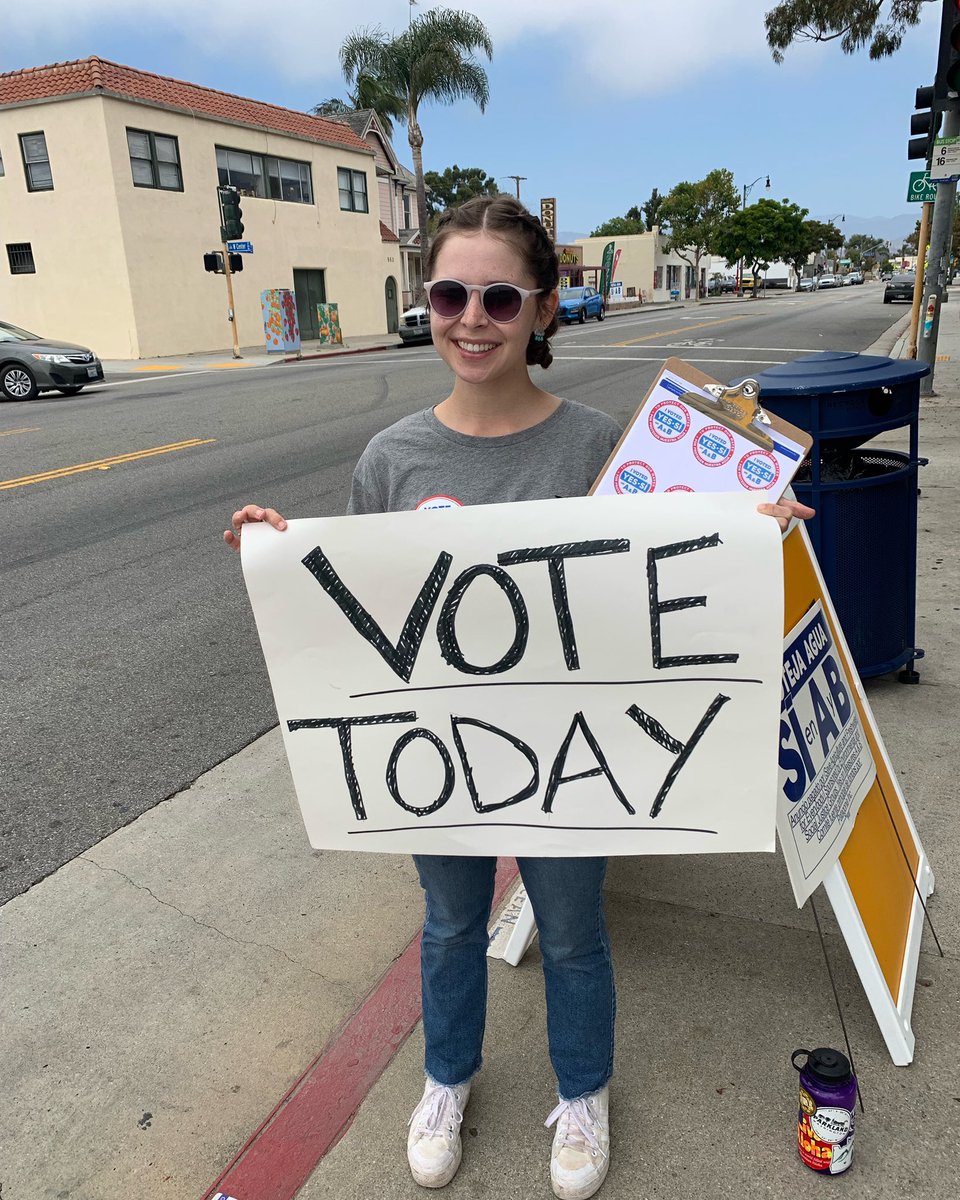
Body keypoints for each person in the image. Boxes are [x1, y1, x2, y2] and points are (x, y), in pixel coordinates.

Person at [224, 195, 813, 1198]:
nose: (472, 317)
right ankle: (445, 1079)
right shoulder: (393, 458)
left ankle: (583, 1093)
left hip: (571, 755)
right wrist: (281, 557)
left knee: (574, 932)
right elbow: (360, 613)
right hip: (439, 753)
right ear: (429, 299)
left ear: (543, 311)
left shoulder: (597, 449)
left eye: (502, 296)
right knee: (450, 924)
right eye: (451, 292)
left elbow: (656, 593)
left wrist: (753, 534)